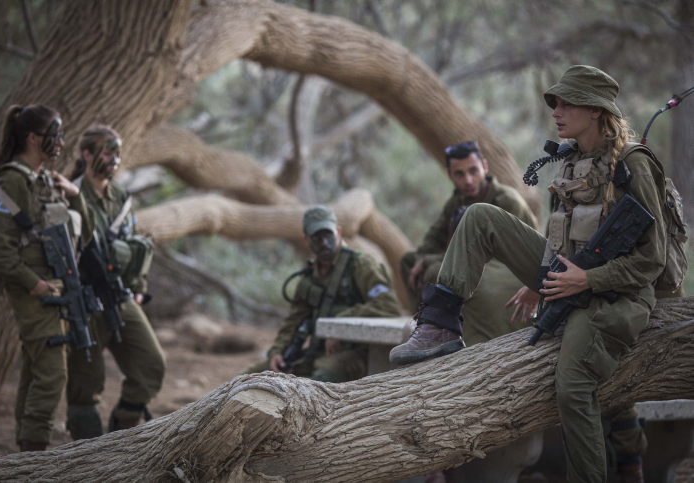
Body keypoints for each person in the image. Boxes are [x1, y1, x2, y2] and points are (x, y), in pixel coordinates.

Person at [390, 65, 667, 483]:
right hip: (568, 277)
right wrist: (534, 280)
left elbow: (653, 259)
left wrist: (587, 281)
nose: (556, 109)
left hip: (617, 295)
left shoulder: (633, 165)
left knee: (573, 389)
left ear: (595, 110)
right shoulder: (571, 160)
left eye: (567, 102)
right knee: (481, 217)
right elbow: (562, 235)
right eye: (555, 101)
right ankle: (439, 326)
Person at [0, 105, 94, 452]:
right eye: (54, 135)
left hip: (55, 289)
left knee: (36, 369)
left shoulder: (46, 179)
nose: (60, 143)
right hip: (36, 291)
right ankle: (35, 452)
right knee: (52, 374)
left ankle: (27, 448)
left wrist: (76, 197)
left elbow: (85, 235)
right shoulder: (13, 180)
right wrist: (34, 284)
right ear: (32, 138)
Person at [64, 125, 165, 439]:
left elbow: (136, 247)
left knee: (151, 365)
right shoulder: (69, 194)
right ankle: (87, 456)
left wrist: (138, 291)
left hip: (121, 296)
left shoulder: (121, 197)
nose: (114, 159)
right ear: (87, 155)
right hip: (85, 300)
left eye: (117, 153)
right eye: (107, 152)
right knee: (85, 385)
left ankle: (122, 435)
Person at [400, 140, 538, 346]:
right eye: (459, 174)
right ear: (449, 175)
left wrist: (433, 260)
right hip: (470, 262)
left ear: (484, 166)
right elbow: (431, 241)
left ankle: (450, 328)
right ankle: (427, 325)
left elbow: (499, 252)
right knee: (410, 262)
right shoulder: (457, 202)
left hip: (506, 268)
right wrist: (426, 258)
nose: (468, 180)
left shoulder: (507, 201)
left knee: (438, 271)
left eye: (473, 171)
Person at [247, 205, 401, 382]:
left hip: (354, 354)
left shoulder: (360, 265)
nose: (324, 243)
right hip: (315, 354)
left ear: (338, 232)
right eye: (317, 237)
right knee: (249, 379)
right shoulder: (308, 278)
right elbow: (293, 322)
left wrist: (339, 325)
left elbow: (388, 306)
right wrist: (277, 353)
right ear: (306, 240)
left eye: (328, 234)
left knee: (322, 381)